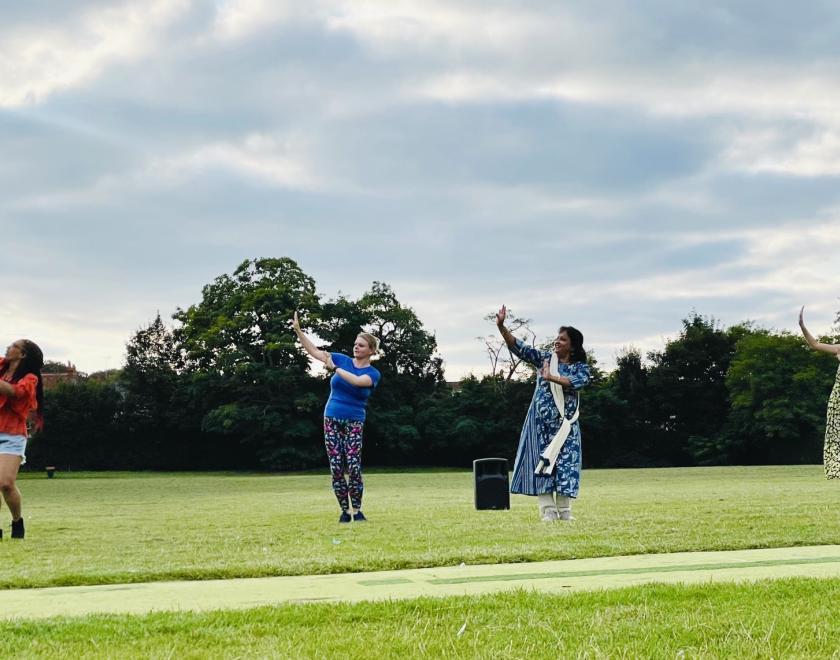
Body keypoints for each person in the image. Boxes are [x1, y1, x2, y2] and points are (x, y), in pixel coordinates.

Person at [496, 305, 591, 521]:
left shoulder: (580, 368)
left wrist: (551, 377)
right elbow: (518, 347)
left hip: (566, 426)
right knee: (542, 463)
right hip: (540, 423)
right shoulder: (545, 359)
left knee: (567, 464)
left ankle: (565, 511)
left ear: (573, 346)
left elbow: (576, 383)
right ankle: (547, 510)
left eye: (563, 339)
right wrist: (502, 327)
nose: (557, 341)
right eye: (557, 338)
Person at [291, 312, 381, 523]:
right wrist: (298, 330)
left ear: (371, 351)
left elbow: (358, 382)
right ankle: (344, 510)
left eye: (361, 345)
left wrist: (336, 369)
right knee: (337, 468)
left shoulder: (374, 373)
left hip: (354, 421)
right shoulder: (341, 359)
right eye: (355, 344)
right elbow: (313, 351)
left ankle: (357, 510)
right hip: (331, 418)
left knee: (353, 465)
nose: (356, 347)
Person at [0, 339, 44, 539]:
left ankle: (17, 521)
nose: (8, 348)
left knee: (6, 483)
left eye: (13, 346)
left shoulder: (30, 378)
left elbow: (14, 392)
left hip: (12, 436)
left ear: (22, 354)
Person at [799, 306, 840, 479]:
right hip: (838, 397)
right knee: (835, 434)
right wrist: (802, 326)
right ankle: (836, 470)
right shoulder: (839, 348)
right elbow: (814, 344)